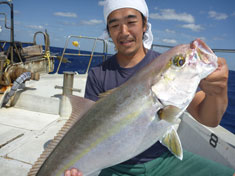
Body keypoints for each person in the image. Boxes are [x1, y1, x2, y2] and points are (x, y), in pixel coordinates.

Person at [65, 0, 235, 175]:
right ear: (108, 31)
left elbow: (209, 119)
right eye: (114, 25)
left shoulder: (159, 63)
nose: (124, 32)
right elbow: (84, 128)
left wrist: (218, 92)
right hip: (114, 166)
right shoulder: (98, 74)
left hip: (162, 160)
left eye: (131, 22)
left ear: (145, 25)